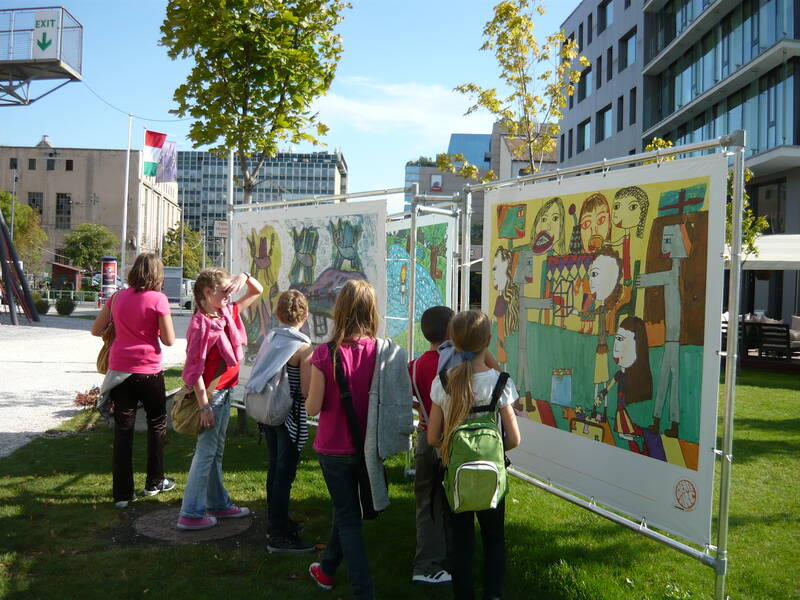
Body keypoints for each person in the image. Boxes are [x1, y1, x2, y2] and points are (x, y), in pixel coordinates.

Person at [427, 310, 522, 600]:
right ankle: (492, 594)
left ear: (453, 342)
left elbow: (432, 437)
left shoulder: (443, 382)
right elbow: (514, 439)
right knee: (494, 539)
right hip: (493, 478)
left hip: (455, 476)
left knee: (461, 542)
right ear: (489, 340)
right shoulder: (500, 382)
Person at [305, 279, 381, 599]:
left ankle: (363, 592)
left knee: (348, 519)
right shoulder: (381, 351)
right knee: (345, 508)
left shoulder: (325, 353)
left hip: (334, 447)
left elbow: (313, 407)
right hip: (368, 446)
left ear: (339, 310)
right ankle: (326, 569)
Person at [176, 267, 263, 530]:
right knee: (205, 453)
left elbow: (257, 290)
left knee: (215, 452)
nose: (229, 295)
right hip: (212, 397)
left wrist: (243, 277)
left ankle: (217, 503)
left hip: (224, 393)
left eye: (229, 291)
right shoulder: (201, 324)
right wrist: (205, 407)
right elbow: (194, 371)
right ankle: (190, 513)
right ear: (207, 292)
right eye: (223, 291)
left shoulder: (225, 313)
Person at [91, 252, 176, 509]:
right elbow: (169, 340)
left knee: (123, 430)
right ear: (157, 275)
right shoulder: (159, 299)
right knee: (157, 424)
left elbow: (95, 330)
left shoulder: (117, 297)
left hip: (120, 372)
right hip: (149, 371)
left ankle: (122, 494)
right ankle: (155, 482)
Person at [251, 290, 315, 552]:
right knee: (284, 475)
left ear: (277, 314)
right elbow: (306, 390)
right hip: (289, 417)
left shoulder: (271, 338)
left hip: (269, 412)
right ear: (306, 315)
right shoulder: (302, 348)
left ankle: (277, 519)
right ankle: (278, 534)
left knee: (274, 468)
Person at [408, 306, 454, 585]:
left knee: (427, 502)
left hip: (426, 437)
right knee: (450, 502)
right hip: (451, 440)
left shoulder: (415, 366)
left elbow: (413, 399)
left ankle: (437, 557)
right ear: (450, 331)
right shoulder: (455, 364)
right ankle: (427, 564)